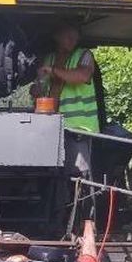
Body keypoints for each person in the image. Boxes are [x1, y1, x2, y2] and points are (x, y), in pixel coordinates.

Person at [33, 23, 100, 176]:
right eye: (69, 37)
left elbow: (82, 76)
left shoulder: (84, 55)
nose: (73, 41)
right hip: (51, 126)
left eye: (75, 38)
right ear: (56, 37)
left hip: (79, 128)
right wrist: (37, 88)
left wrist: (53, 71)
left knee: (79, 174)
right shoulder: (49, 58)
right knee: (54, 173)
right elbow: (41, 89)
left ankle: (82, 200)